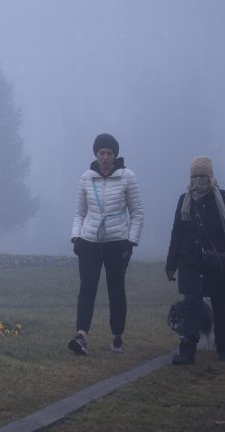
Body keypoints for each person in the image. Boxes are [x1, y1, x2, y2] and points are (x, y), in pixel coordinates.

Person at [166, 156, 225, 365]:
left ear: (211, 176)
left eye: (203, 175)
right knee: (191, 304)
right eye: (195, 176)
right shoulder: (183, 200)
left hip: (219, 261)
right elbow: (177, 234)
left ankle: (224, 347)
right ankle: (187, 350)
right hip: (190, 261)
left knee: (220, 304)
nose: (199, 179)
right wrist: (171, 264)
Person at [69, 133, 145, 355]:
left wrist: (131, 241)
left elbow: (137, 212)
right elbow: (79, 212)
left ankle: (117, 335)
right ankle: (81, 335)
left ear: (115, 155)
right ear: (95, 154)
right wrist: (76, 237)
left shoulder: (127, 177)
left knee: (116, 290)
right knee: (87, 288)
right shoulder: (86, 178)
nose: (104, 157)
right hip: (89, 241)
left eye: (109, 153)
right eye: (101, 153)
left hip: (117, 242)